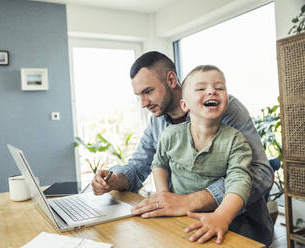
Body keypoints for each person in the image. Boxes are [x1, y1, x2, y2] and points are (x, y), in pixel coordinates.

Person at [91, 51, 274, 245]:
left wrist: (191, 201)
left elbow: (261, 173)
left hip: (239, 229)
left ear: (171, 79)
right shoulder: (159, 124)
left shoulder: (224, 109)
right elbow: (140, 165)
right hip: (182, 226)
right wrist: (114, 179)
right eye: (140, 96)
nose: (144, 103)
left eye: (148, 91)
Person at [152, 65, 252, 244]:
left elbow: (239, 181)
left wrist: (222, 216)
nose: (212, 91)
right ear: (185, 105)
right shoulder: (170, 135)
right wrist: (163, 194)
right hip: (177, 220)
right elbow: (159, 164)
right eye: (201, 88)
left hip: (219, 223)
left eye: (219, 88)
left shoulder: (236, 141)